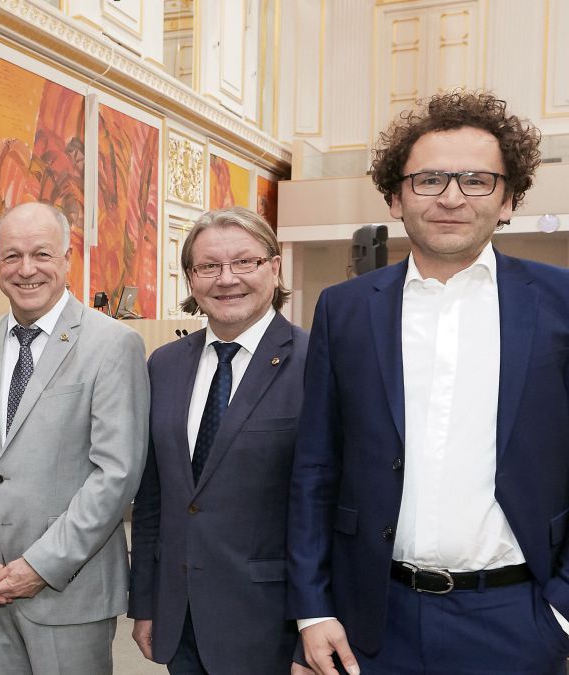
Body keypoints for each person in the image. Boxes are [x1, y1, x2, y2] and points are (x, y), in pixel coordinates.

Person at [288, 90, 569, 675]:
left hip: (519, 620)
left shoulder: (561, 303)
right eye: (429, 179)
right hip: (372, 623)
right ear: (395, 196)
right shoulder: (344, 310)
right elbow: (316, 466)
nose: (451, 198)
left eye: (476, 179)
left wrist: (561, 612)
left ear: (510, 198)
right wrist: (313, 610)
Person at [0, 201, 150, 674]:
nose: (26, 269)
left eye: (41, 254)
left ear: (67, 258)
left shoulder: (113, 344)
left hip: (68, 589)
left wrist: (39, 566)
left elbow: (116, 475)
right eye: (12, 256)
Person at [129, 206, 310, 674]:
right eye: (208, 266)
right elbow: (155, 498)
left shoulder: (316, 362)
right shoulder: (164, 365)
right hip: (181, 619)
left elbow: (330, 508)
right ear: (190, 279)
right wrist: (146, 602)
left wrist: (313, 629)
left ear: (274, 267)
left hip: (274, 626)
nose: (226, 279)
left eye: (244, 262)